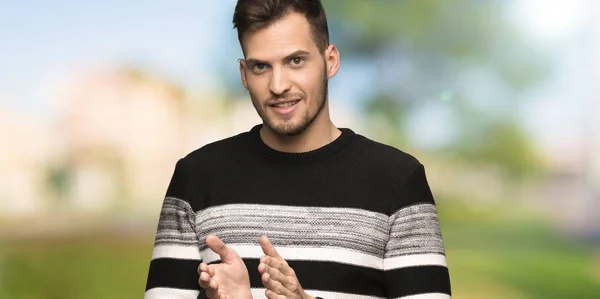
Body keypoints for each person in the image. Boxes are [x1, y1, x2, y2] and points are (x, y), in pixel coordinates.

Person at [144, 0, 452, 298]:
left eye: (295, 61)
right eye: (261, 66)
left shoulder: (398, 180)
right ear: (244, 74)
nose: (278, 85)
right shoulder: (197, 179)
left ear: (330, 61)